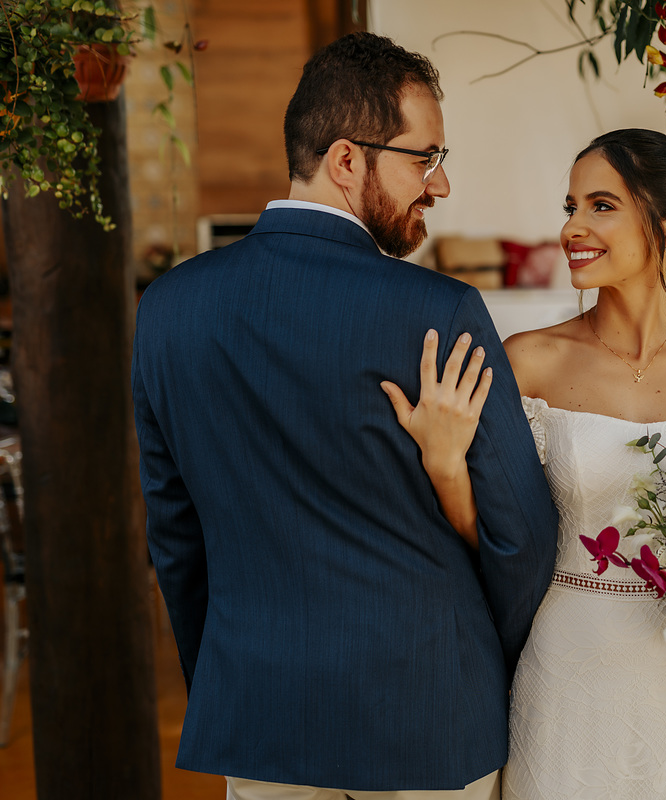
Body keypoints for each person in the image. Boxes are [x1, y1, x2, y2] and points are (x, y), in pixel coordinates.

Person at [133, 32, 558, 800]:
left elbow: (175, 537)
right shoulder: (441, 311)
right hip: (428, 712)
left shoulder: (166, 310)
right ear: (346, 160)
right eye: (425, 158)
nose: (441, 184)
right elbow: (521, 539)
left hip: (258, 710)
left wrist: (229, 681)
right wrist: (477, 662)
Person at [385, 129, 666, 798]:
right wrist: (444, 462)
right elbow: (495, 537)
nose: (572, 226)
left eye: (601, 206)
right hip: (567, 676)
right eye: (570, 206)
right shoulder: (527, 361)